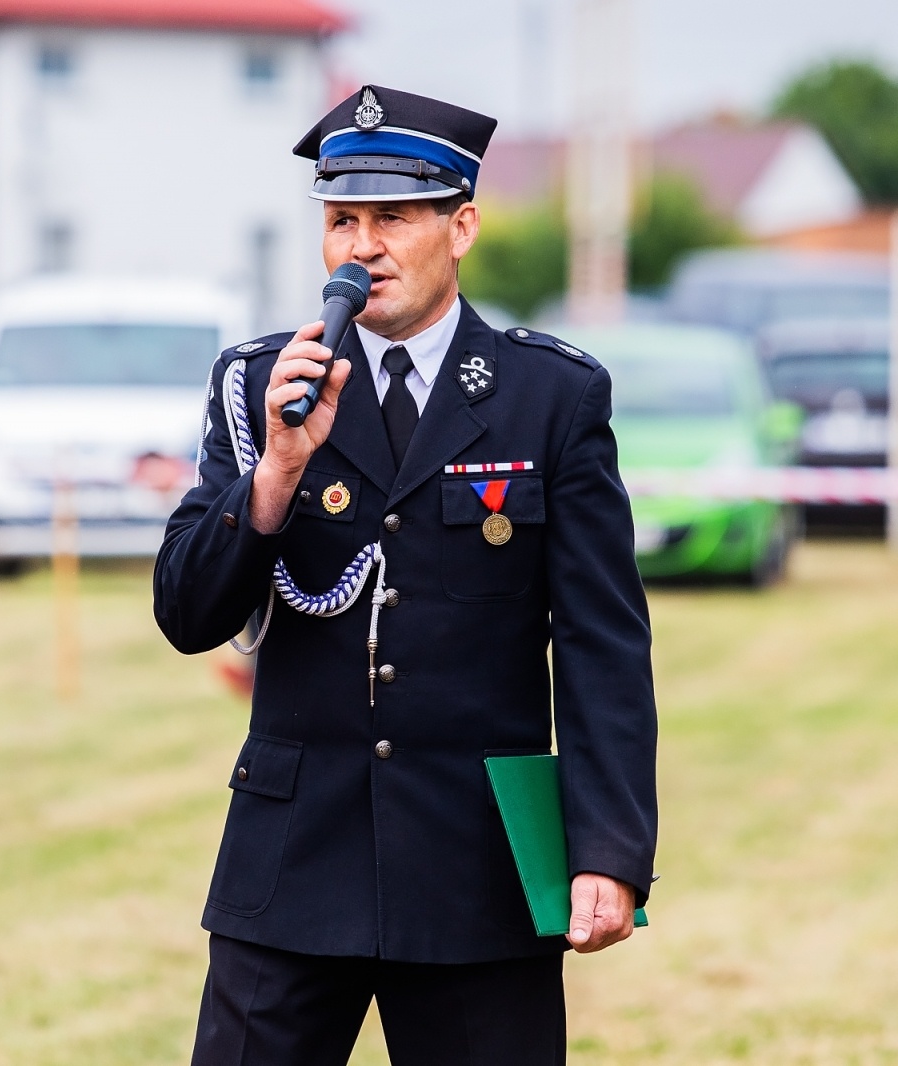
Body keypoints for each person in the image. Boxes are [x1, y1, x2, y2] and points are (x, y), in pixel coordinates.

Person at [154, 86, 658, 1065]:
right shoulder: (260, 385)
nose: (363, 247)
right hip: (291, 864)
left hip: (477, 874)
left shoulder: (549, 395)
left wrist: (608, 849)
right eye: (342, 221)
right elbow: (187, 612)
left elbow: (600, 642)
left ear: (461, 227)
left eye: (393, 218)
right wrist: (277, 473)